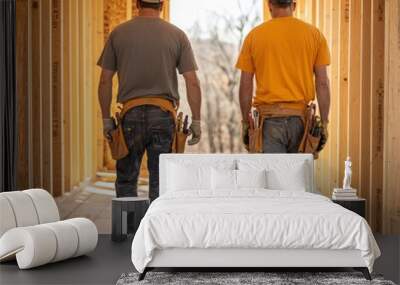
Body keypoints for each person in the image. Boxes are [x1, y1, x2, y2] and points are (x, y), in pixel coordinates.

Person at [97, 0, 202, 202]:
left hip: (130, 117)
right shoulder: (177, 35)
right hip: (163, 116)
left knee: (127, 181)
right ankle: (157, 231)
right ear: (161, 5)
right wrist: (196, 121)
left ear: (137, 3)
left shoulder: (119, 33)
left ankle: (128, 232)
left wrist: (106, 119)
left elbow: (104, 80)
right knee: (162, 183)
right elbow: (192, 82)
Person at [236, 0, 331, 153]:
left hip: (268, 124)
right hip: (300, 123)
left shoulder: (254, 36)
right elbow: (322, 83)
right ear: (293, 5)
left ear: (270, 5)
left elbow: (246, 84)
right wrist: (324, 123)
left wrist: (246, 123)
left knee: (272, 176)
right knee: (298, 176)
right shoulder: (314, 35)